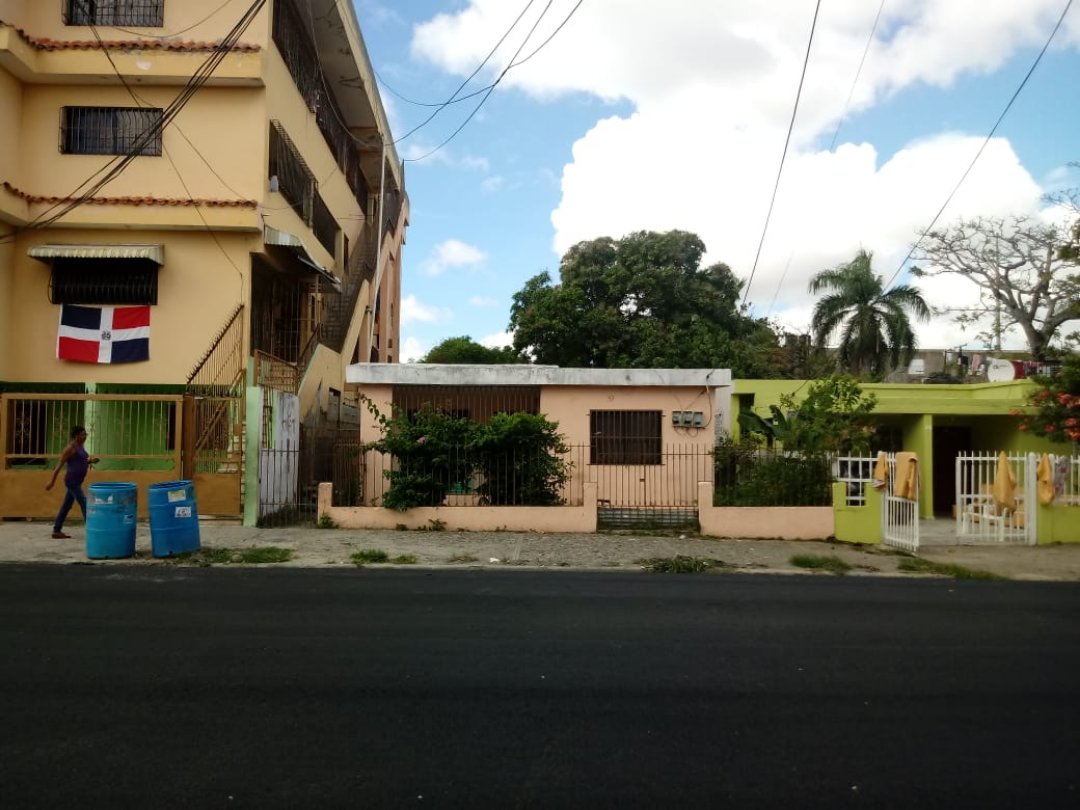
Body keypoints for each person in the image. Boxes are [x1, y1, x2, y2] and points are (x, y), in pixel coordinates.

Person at [45, 425, 100, 539]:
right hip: (72, 481)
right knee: (84, 503)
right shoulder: (70, 448)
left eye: (86, 434)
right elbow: (59, 465)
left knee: (66, 506)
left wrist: (91, 461)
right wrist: (52, 482)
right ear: (76, 436)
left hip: (77, 481)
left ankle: (56, 530)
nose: (85, 437)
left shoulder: (80, 447)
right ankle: (92, 531)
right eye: (83, 434)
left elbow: (80, 461)